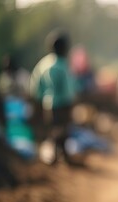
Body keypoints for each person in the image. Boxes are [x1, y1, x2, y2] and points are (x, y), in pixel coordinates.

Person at [30, 29, 78, 164]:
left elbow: (35, 85)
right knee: (62, 130)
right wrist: (72, 102)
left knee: (53, 130)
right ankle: (60, 156)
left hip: (47, 104)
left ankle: (57, 156)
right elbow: (69, 89)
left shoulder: (43, 64)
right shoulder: (63, 65)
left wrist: (38, 101)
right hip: (63, 104)